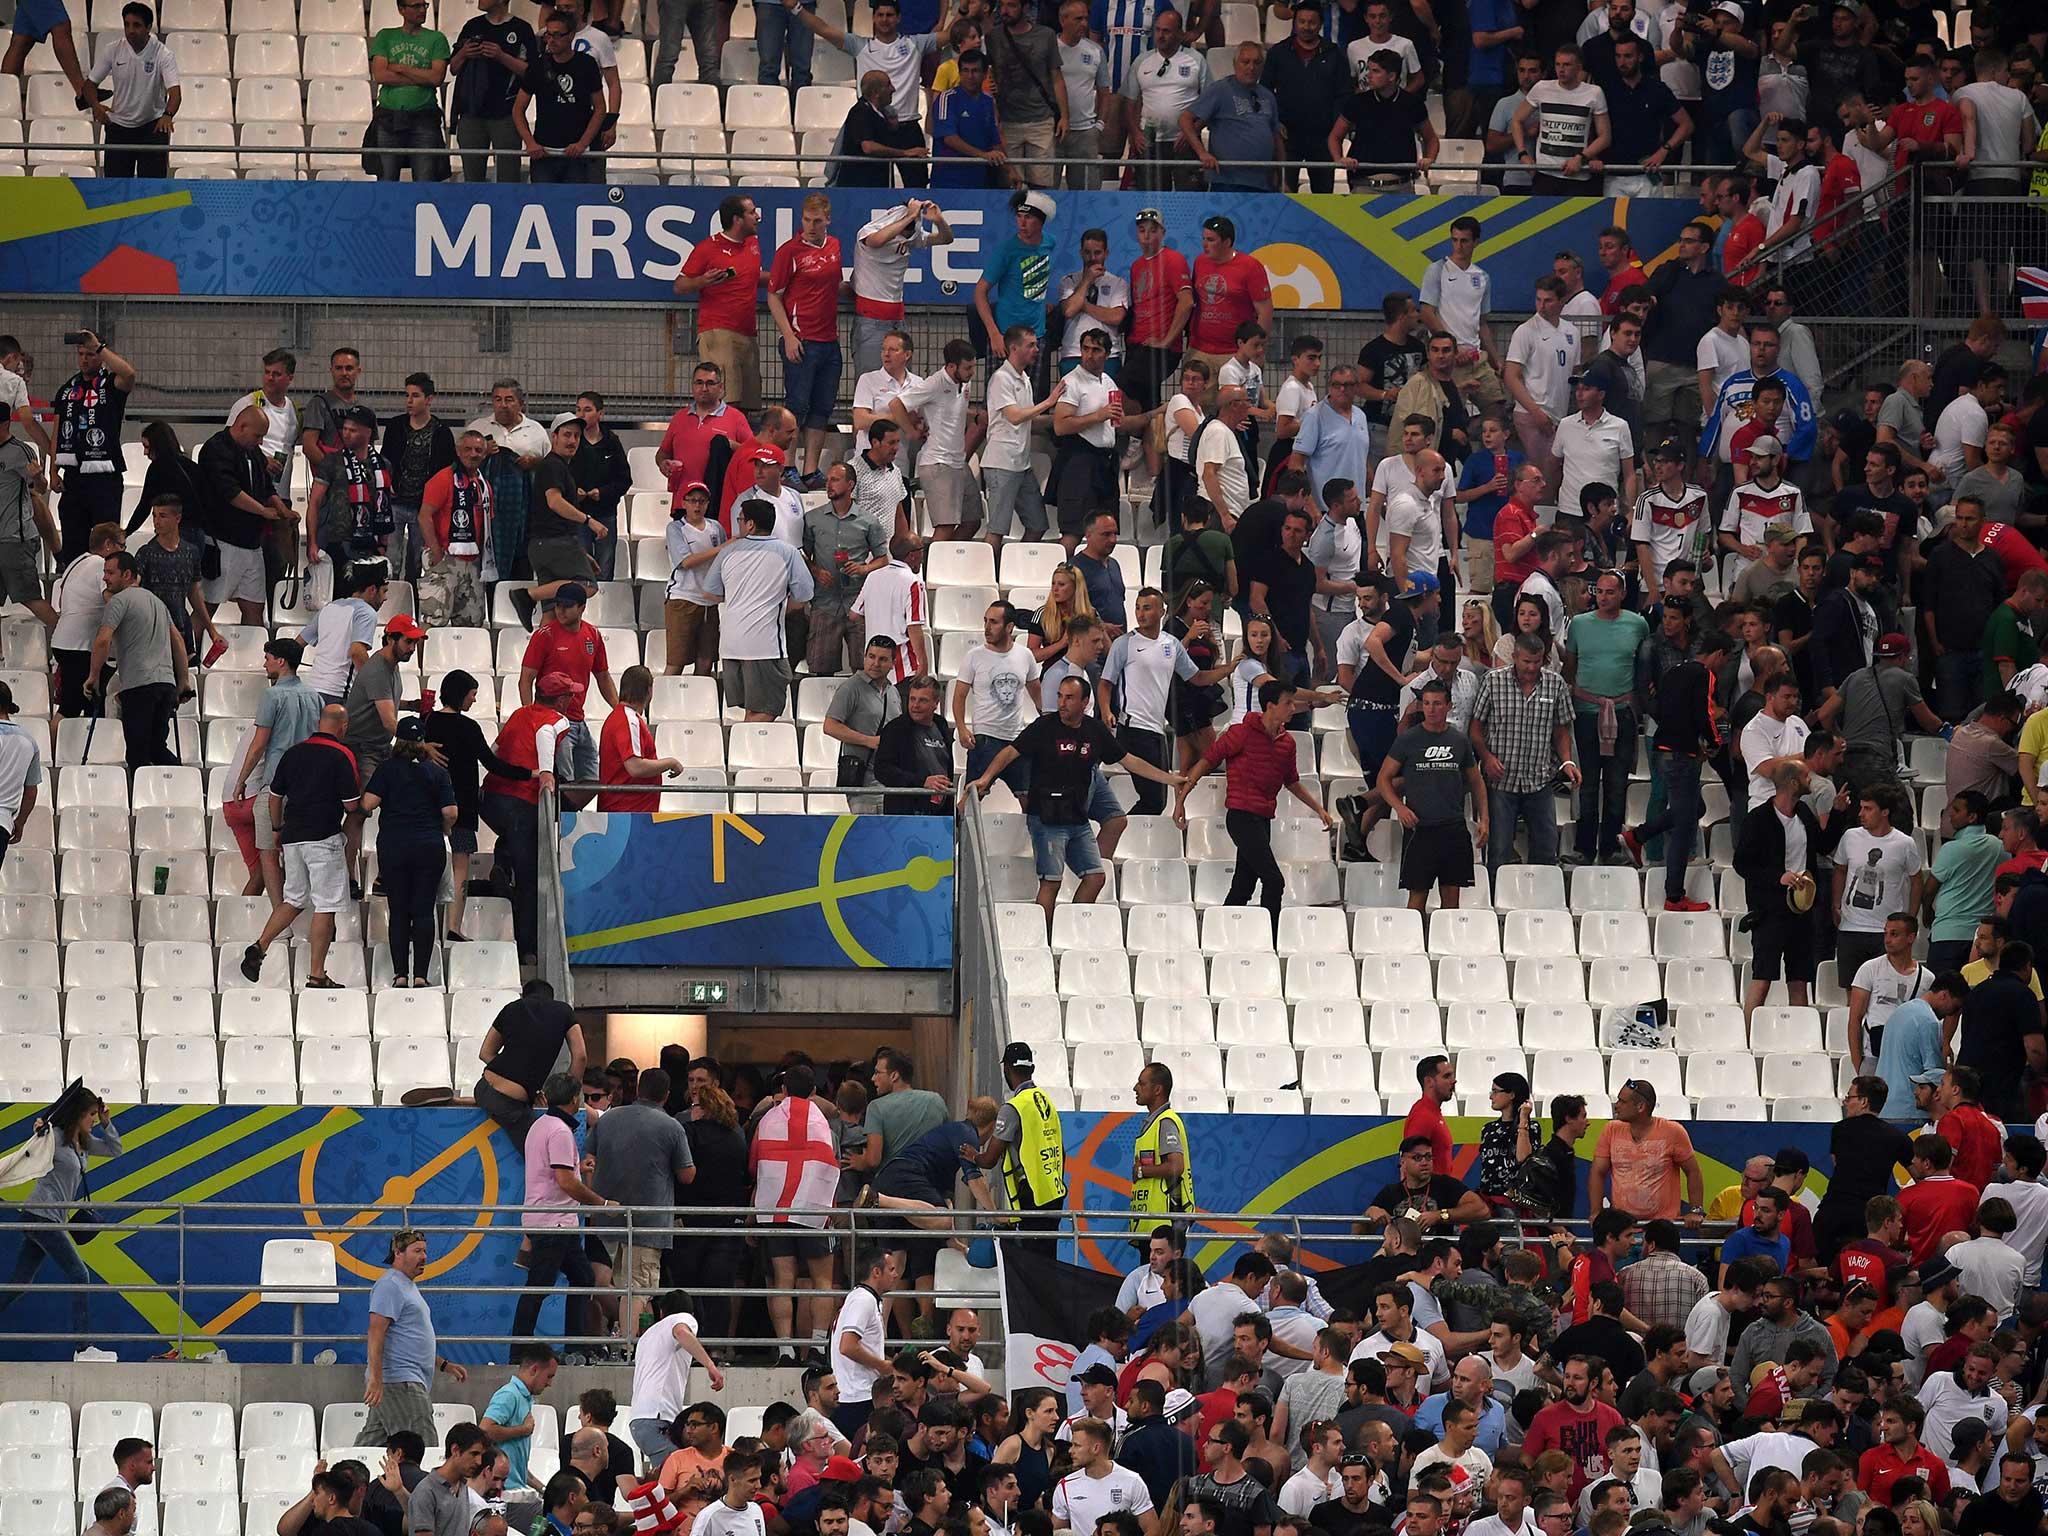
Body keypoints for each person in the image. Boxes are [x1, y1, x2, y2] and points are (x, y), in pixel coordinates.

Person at [1170, 679, 1333, 936]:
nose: (1293, 708)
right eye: (1287, 703)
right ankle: (1270, 938)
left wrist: (1319, 808)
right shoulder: (1240, 733)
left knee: (1243, 886)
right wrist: (1181, 800)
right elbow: (1207, 761)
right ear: (1270, 706)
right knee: (1274, 880)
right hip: (1241, 816)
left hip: (1263, 819)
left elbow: (1292, 782)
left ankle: (1220, 933)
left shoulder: (1287, 743)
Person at [0, 1091, 120, 1361]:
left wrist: (106, 1122)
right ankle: (83, 1348)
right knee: (80, 1275)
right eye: (90, 1114)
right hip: (40, 1215)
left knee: (18, 1284)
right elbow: (31, 1147)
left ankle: (83, 1348)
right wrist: (40, 1128)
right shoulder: (54, 1137)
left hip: (48, 1218)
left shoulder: (83, 1143)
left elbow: (115, 1149)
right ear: (78, 1114)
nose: (92, 1119)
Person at [1470, 633, 1579, 876]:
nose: (1531, 667)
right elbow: (1475, 729)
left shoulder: (1556, 684)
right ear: (1515, 657)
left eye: (1536, 662)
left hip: (1539, 781)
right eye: (1526, 661)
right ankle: (1496, 903)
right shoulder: (1492, 681)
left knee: (1546, 850)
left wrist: (1567, 761)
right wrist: (1487, 758)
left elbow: (1561, 731)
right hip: (1500, 782)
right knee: (1498, 852)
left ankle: (1542, 903)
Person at [511, 1074, 610, 1340]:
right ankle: (520, 1347)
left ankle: (573, 1344)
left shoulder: (541, 1125)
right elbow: (565, 1182)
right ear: (574, 1099)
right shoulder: (560, 1132)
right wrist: (602, 1203)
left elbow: (552, 1171)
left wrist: (578, 1168)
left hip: (550, 1222)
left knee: (582, 1278)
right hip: (553, 1224)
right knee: (539, 1287)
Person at [1378, 678, 1487, 911]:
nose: (1431, 709)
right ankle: (1411, 943)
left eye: (1437, 704)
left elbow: (1476, 781)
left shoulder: (1459, 740)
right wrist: (1400, 807)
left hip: (1452, 827)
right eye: (1426, 704)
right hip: (1420, 828)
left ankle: (1447, 944)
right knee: (1416, 897)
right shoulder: (1408, 739)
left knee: (1451, 899)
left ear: (1449, 706)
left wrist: (1484, 819)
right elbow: (1383, 779)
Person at [703, 499, 817, 722]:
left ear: (750, 524)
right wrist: (780, 608)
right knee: (769, 708)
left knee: (752, 707)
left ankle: (743, 750)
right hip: (764, 645)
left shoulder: (728, 552)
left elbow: (709, 592)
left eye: (740, 520)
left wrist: (738, 599)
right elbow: (804, 596)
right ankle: (737, 744)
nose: (739, 524)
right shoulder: (787, 552)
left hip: (729, 643)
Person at [86, 551, 192, 772]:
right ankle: (184, 782)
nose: (105, 578)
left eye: (110, 572)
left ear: (127, 574)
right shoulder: (157, 602)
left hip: (139, 684)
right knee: (156, 747)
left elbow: (103, 641)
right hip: (165, 684)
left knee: (137, 753)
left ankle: (140, 800)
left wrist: (94, 677)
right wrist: (183, 681)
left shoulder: (118, 602)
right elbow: (178, 642)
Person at [361, 1230, 468, 1445]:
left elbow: (408, 1339)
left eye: (425, 1251)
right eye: (417, 1250)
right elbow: (375, 1332)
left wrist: (443, 1364)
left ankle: (341, 1479)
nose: (424, 1257)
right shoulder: (390, 1285)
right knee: (424, 1445)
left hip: (400, 1380)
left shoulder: (406, 1286)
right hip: (400, 1382)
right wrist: (376, 1378)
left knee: (371, 1447)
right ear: (398, 1253)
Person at [49, 330, 138, 564]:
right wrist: (52, 470)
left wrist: (98, 346)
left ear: (101, 355)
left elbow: (129, 373)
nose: (85, 359)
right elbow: (57, 432)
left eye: (91, 354)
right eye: (81, 354)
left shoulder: (110, 384)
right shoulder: (67, 389)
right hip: (74, 478)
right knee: (73, 547)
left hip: (105, 478)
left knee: (107, 544)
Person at [516, 12, 605, 180]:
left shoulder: (587, 64)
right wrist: (530, 142)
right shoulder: (538, 66)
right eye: (548, 34)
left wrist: (582, 144)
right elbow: (518, 109)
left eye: (557, 35)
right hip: (544, 154)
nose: (551, 40)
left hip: (577, 155)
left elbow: (600, 108)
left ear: (571, 35)